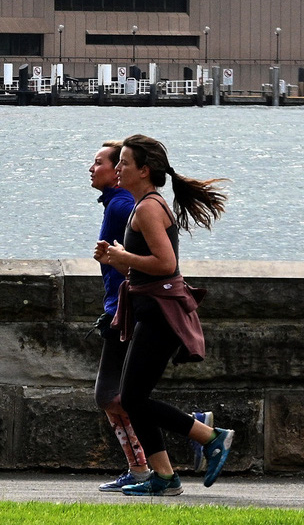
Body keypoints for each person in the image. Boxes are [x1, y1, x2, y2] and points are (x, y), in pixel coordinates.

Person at [93, 134, 236, 496]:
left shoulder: (148, 208)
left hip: (161, 314)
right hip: (150, 311)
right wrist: (119, 256)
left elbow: (166, 264)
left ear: (144, 170)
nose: (119, 169)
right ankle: (164, 478)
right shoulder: (146, 204)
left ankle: (210, 436)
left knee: (133, 398)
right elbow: (151, 262)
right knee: (131, 398)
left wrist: (123, 258)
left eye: (124, 163)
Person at [88, 140, 148, 492]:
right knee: (116, 395)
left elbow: (139, 259)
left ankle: (195, 428)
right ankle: (138, 467)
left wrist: (115, 258)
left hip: (122, 311)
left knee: (111, 395)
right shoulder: (115, 203)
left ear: (117, 172)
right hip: (118, 307)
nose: (91, 169)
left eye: (99, 163)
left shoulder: (121, 204)